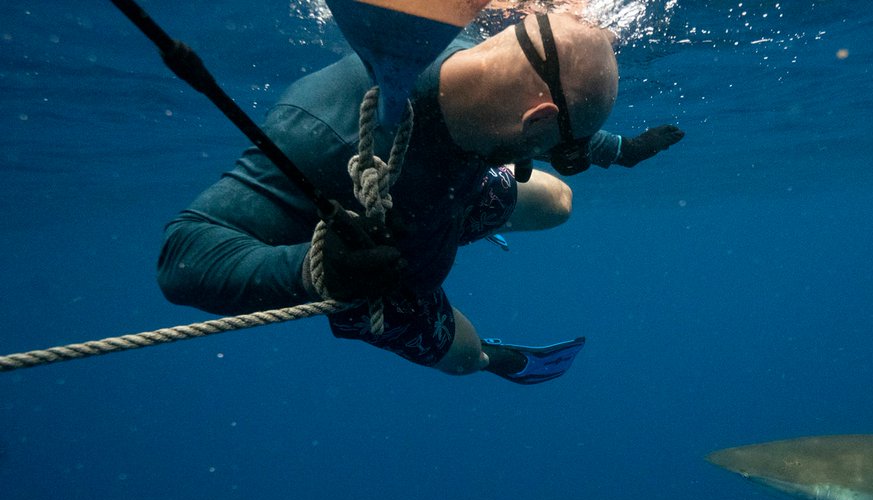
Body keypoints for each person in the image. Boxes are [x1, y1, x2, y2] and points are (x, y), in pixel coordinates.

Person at [158, 12, 683, 383]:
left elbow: (545, 105)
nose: (569, 154)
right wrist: (317, 272)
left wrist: (618, 149)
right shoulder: (322, 137)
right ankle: (492, 360)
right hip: (384, 273)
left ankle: (471, 213)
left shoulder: (482, 70)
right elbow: (181, 255)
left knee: (559, 202)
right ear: (537, 121)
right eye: (565, 148)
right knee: (462, 355)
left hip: (454, 190)